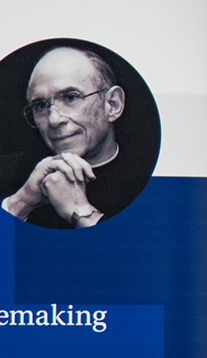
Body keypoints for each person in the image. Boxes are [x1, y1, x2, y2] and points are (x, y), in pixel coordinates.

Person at [1, 46, 141, 228]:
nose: (53, 120)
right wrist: (19, 204)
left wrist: (81, 212)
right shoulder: (6, 173)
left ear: (112, 105)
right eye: (40, 106)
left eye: (70, 97)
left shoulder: (154, 181)